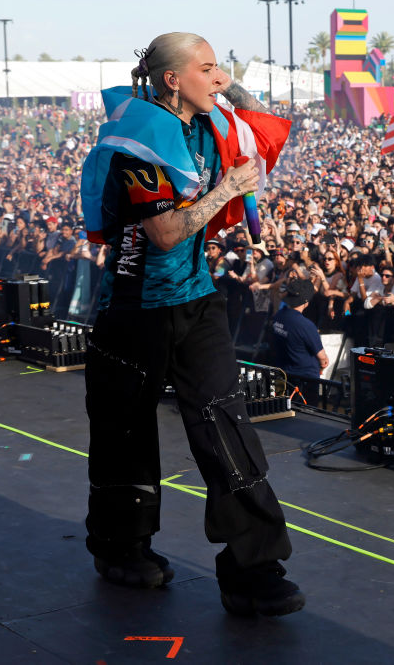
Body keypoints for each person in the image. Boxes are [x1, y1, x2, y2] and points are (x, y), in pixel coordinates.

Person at [79, 32, 303, 617]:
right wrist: (229, 188)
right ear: (173, 80)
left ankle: (253, 567)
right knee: (125, 433)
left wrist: (237, 87)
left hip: (196, 300)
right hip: (133, 310)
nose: (220, 78)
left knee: (225, 423)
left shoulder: (211, 124)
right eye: (209, 69)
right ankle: (120, 547)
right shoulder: (138, 142)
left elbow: (258, 124)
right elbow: (165, 233)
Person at [271, 278, 329, 384]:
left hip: (282, 374)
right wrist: (323, 363)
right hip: (304, 379)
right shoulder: (305, 325)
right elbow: (322, 358)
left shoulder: (278, 316)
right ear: (306, 301)